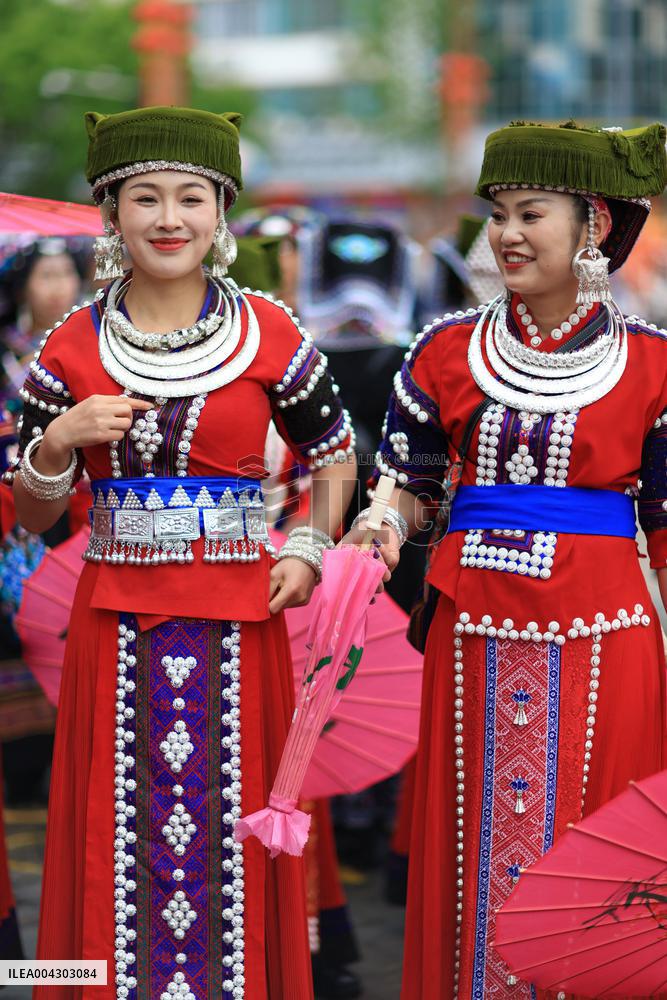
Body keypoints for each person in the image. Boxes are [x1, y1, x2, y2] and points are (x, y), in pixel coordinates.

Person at [8, 105, 357, 998]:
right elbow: (32, 514)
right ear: (112, 214)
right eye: (146, 198)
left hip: (241, 622)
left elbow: (333, 456)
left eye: (191, 198)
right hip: (115, 626)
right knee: (111, 839)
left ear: (220, 211)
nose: (170, 218)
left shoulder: (270, 330)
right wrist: (58, 443)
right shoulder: (70, 345)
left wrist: (308, 545)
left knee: (231, 839)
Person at [346, 121, 667, 998]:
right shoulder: (445, 350)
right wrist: (378, 525)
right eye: (497, 215)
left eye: (531, 213)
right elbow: (408, 484)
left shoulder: (652, 365)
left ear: (593, 225)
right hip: (473, 635)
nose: (507, 234)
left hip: (606, 637)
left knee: (596, 853)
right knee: (471, 848)